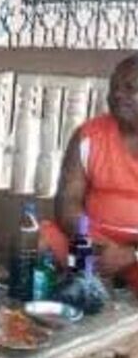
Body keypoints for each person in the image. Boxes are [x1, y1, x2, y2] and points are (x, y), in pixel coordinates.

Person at [42, 55, 138, 291]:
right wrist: (89, 245)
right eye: (114, 86)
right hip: (90, 240)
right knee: (40, 242)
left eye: (130, 88)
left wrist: (130, 253)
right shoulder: (88, 135)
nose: (117, 95)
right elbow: (67, 201)